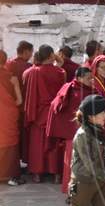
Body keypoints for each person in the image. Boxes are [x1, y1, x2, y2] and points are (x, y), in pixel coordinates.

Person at [47, 66, 94, 194]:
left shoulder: (82, 89)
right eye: (88, 78)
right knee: (75, 163)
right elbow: (56, 106)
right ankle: (73, 191)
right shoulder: (75, 92)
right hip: (75, 133)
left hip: (80, 132)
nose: (91, 81)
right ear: (79, 78)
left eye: (92, 78)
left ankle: (78, 191)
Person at [23, 45, 66, 182]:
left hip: (39, 112)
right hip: (55, 112)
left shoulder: (35, 71)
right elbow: (63, 93)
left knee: (38, 143)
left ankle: (37, 173)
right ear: (51, 55)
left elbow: (32, 95)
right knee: (54, 143)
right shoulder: (60, 72)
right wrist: (59, 64)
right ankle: (56, 174)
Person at [0, 50, 22, 186]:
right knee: (10, 142)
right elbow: (19, 101)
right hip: (8, 115)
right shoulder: (12, 78)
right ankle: (9, 176)